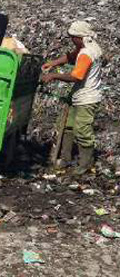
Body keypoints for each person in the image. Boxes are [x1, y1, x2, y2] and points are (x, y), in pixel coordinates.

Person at [41, 20, 103, 175]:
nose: (71, 41)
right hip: (78, 95)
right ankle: (66, 158)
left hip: (87, 98)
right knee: (69, 125)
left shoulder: (87, 53)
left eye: (72, 38)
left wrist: (53, 75)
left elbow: (77, 76)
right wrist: (53, 63)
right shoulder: (87, 47)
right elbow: (70, 57)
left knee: (82, 130)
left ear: (79, 37)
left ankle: (85, 164)